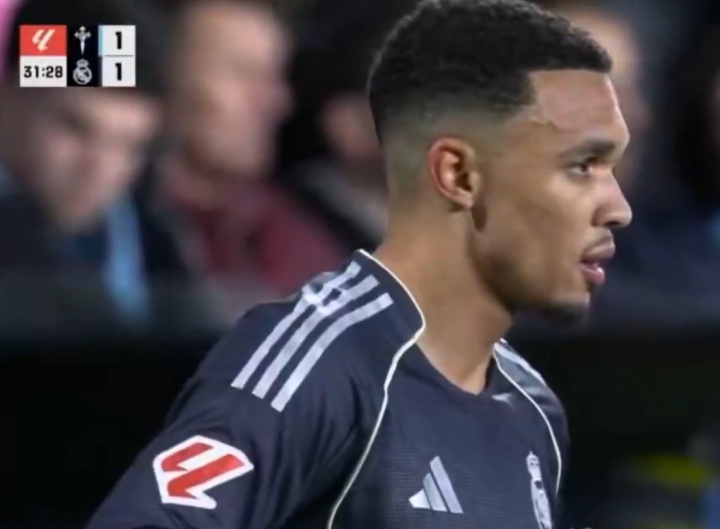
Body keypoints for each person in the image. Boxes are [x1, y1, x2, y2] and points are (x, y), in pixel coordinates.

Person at [87, 0, 632, 528]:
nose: (619, 207)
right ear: (460, 175)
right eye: (581, 166)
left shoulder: (534, 407)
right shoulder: (315, 362)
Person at [0, 0, 192, 328]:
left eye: (130, 145)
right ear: (9, 103)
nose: (99, 168)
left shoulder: (155, 246)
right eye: (75, 128)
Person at [148, 0, 345, 314]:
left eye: (274, 77)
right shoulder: (110, 228)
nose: (277, 102)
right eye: (243, 74)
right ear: (167, 77)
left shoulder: (294, 238)